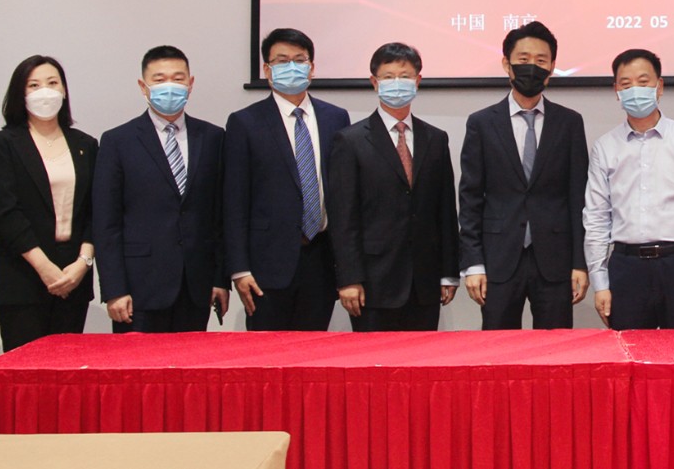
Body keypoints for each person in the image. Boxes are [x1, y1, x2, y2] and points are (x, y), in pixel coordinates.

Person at [458, 22, 589, 329]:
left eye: (541, 60)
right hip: (498, 259)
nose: (532, 67)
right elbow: (470, 198)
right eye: (524, 59)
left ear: (552, 67)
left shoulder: (569, 123)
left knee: (556, 348)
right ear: (507, 63)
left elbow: (578, 197)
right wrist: (473, 263)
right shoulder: (481, 123)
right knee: (499, 348)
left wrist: (579, 263)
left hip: (555, 261)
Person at [585, 48, 674, 330]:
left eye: (643, 81)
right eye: (626, 84)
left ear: (659, 86)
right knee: (630, 352)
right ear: (616, 91)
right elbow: (597, 217)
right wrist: (600, 282)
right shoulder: (605, 147)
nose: (635, 90)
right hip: (627, 267)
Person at [93, 45, 228, 333]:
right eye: (159, 79)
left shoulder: (213, 138)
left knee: (192, 361)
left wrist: (220, 279)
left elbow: (219, 217)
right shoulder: (118, 141)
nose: (170, 86)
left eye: (178, 79)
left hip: (196, 286)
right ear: (143, 86)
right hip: (139, 288)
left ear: (190, 84)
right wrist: (114, 289)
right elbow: (106, 223)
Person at [224, 28, 350, 331]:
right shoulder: (244, 122)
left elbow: (343, 194)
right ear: (267, 70)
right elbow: (234, 201)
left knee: (314, 351)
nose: (291, 67)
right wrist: (239, 269)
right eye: (282, 61)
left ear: (312, 67)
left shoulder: (336, 118)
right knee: (267, 353)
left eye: (299, 60)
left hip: (321, 260)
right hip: (266, 266)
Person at [327, 42, 458, 331]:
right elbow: (343, 218)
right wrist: (349, 278)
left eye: (405, 76)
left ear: (418, 81)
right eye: (388, 77)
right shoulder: (350, 141)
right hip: (373, 283)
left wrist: (448, 272)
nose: (397, 83)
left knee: (423, 358)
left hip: (425, 283)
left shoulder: (436, 139)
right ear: (374, 82)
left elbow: (446, 211)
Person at [0, 55, 98, 350]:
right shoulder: (3, 144)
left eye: (52, 83)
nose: (44, 91)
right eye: (33, 85)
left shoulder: (85, 144)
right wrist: (44, 267)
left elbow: (95, 209)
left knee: (69, 368)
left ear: (64, 90)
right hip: (24, 275)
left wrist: (83, 263)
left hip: (74, 274)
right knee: (25, 368)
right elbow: (5, 212)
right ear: (20, 94)